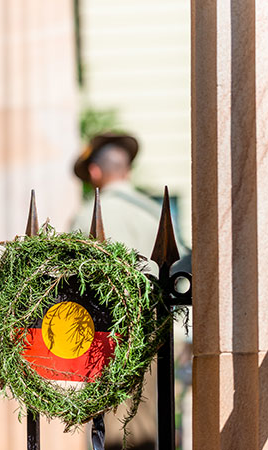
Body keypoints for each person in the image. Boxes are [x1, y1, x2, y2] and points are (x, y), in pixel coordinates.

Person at [72, 133, 187, 450]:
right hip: (153, 328)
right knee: (150, 424)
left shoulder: (88, 215)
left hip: (104, 334)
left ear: (95, 172)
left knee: (111, 428)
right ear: (127, 169)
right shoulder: (154, 212)